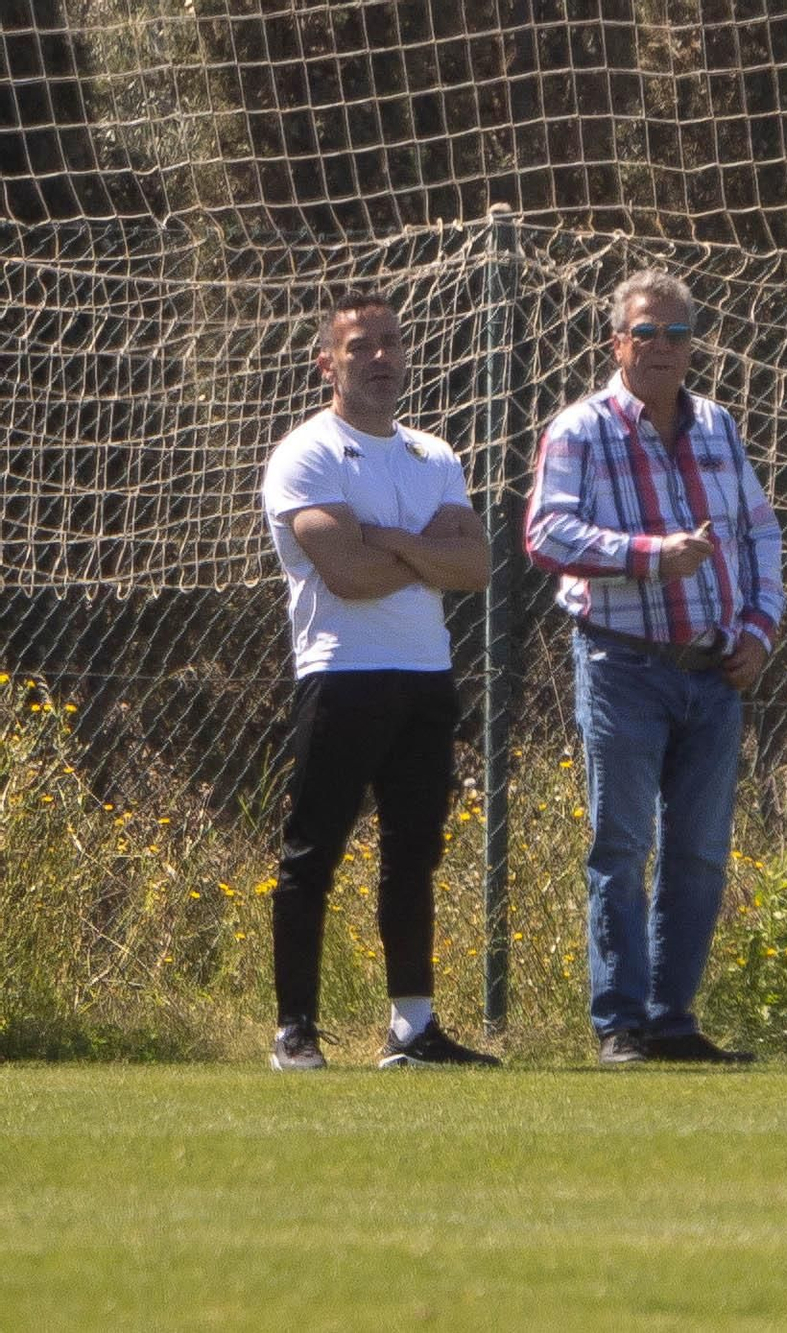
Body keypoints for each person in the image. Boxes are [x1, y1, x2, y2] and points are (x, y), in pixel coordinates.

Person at [525, 268, 785, 1067]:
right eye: (647, 333)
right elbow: (546, 534)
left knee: (702, 851)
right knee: (622, 844)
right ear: (617, 342)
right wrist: (647, 558)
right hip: (623, 665)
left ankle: (674, 1019)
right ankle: (621, 1024)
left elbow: (758, 536)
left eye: (678, 334)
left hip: (713, 672)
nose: (663, 348)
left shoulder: (718, 426)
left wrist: (758, 631)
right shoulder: (580, 429)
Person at [261, 290, 500, 1071]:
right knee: (313, 852)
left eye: (391, 343)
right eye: (361, 345)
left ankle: (413, 1029)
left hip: (426, 679)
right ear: (327, 361)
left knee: (414, 856)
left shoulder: (435, 455)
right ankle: (295, 1028)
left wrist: (388, 539)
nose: (380, 358)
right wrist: (418, 548)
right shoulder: (309, 453)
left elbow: (476, 565)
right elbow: (349, 573)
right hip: (342, 676)